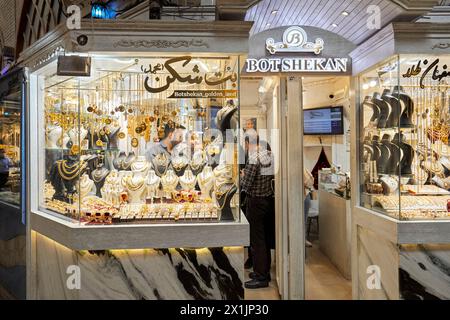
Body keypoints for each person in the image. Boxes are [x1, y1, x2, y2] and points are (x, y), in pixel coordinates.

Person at [241, 137, 275, 289]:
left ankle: (261, 277)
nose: (246, 148)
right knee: (264, 239)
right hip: (267, 200)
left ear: (250, 144)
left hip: (255, 202)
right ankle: (264, 272)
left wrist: (242, 176)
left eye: (246, 145)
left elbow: (246, 184)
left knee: (257, 241)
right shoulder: (269, 155)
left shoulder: (254, 157)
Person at [304, 167, 314, 247]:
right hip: (304, 195)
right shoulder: (302, 168)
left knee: (303, 220)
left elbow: (309, 182)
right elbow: (309, 182)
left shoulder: (302, 167)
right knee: (303, 220)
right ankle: (303, 239)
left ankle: (303, 239)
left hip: (304, 195)